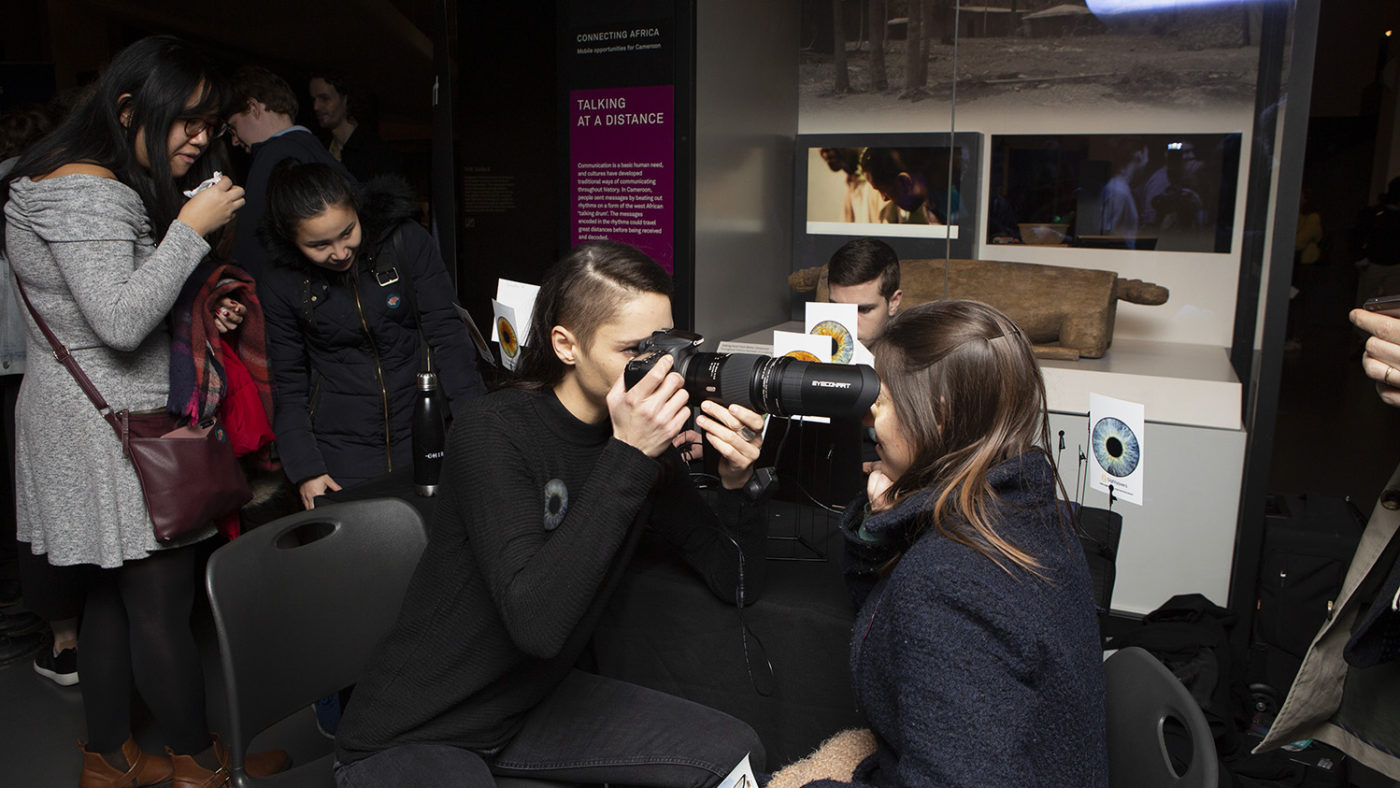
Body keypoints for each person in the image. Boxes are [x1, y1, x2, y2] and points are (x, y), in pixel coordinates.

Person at [333, 241, 771, 788]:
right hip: (419, 728)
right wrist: (631, 455)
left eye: (666, 346)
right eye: (634, 349)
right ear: (566, 345)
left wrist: (737, 483)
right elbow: (536, 623)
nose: (660, 371)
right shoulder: (495, 432)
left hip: (527, 706)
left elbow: (738, 580)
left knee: (734, 755)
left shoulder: (642, 447)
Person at [0, 35, 288, 786]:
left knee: (111, 598)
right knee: (160, 604)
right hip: (113, 430)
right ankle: (202, 766)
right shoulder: (89, 191)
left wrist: (195, 308)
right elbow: (120, 321)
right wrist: (192, 228)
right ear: (129, 108)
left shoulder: (63, 181)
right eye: (187, 122)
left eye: (210, 123)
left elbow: (101, 308)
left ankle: (109, 754)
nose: (200, 139)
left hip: (85, 421)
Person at [769, 300, 1108, 787]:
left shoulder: (952, 580)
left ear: (942, 418)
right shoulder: (1032, 514)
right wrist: (880, 526)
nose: (866, 420)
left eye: (880, 402)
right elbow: (898, 636)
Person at [258, 161, 485, 508]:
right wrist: (306, 469)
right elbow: (287, 383)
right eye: (319, 245)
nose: (339, 252)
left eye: (347, 232)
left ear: (357, 208)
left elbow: (449, 337)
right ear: (291, 239)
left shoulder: (404, 241)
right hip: (340, 453)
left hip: (423, 429)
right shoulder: (280, 281)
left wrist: (476, 429)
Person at [225, 64, 352, 280]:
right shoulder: (313, 148)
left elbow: (252, 252)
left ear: (253, 107)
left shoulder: (273, 157)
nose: (235, 140)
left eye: (233, 127)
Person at [307, 71, 403, 182]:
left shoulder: (376, 154)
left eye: (324, 98)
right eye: (313, 99)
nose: (316, 107)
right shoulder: (319, 149)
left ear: (345, 99)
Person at [826, 237, 901, 346]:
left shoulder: (915, 358)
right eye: (838, 308)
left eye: (863, 310)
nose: (848, 324)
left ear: (894, 302)